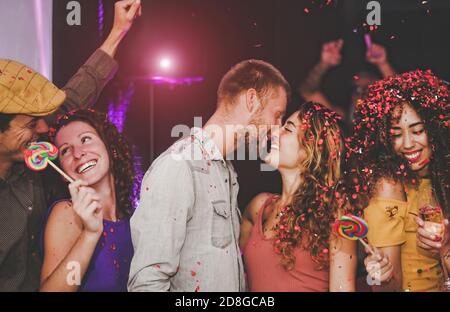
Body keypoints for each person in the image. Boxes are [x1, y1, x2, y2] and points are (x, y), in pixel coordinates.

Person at [0, 0, 141, 291]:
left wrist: (118, 30)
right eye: (30, 124)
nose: (43, 129)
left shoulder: (33, 149)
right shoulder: (65, 215)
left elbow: (78, 93)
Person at [128, 59, 290, 292]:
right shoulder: (180, 166)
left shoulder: (225, 170)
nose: (277, 127)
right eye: (277, 115)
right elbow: (147, 283)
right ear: (252, 100)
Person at [345, 69, 449, 291]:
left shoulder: (441, 178)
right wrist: (381, 276)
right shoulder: (389, 186)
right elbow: (385, 288)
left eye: (418, 131)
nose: (408, 143)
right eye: (396, 135)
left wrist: (445, 249)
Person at [240, 102, 357, 292]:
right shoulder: (259, 207)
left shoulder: (335, 213)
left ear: (309, 151)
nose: (275, 133)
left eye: (288, 129)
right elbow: (234, 274)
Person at [40, 109, 137, 292]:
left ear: (109, 146)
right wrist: (90, 234)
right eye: (66, 150)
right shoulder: (67, 213)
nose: (78, 153)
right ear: (62, 172)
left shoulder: (133, 217)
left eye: (85, 139)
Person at [299, 38, 395, 122]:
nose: (361, 96)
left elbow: (400, 94)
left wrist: (383, 65)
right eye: (357, 90)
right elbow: (307, 91)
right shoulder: (340, 120)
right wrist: (324, 64)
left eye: (367, 89)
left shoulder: (391, 121)